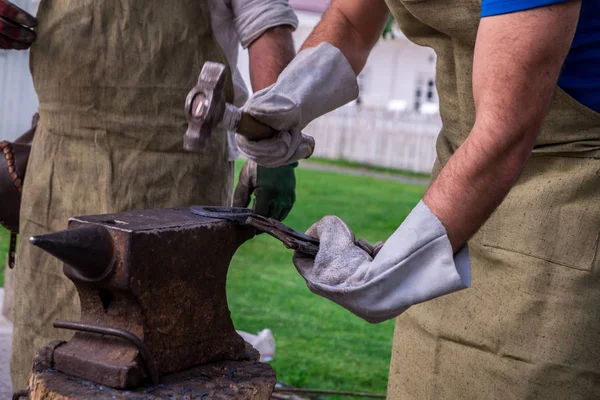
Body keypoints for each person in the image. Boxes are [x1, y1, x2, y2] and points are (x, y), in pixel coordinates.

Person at [236, 0, 600, 398]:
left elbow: (505, 132)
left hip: (565, 198)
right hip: (458, 184)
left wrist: (392, 277)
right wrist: (291, 94)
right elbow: (350, 22)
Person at [0, 0, 299, 390]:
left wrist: (275, 145)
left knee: (162, 357)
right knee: (46, 362)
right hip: (60, 169)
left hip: (175, 177)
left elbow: (268, 27)